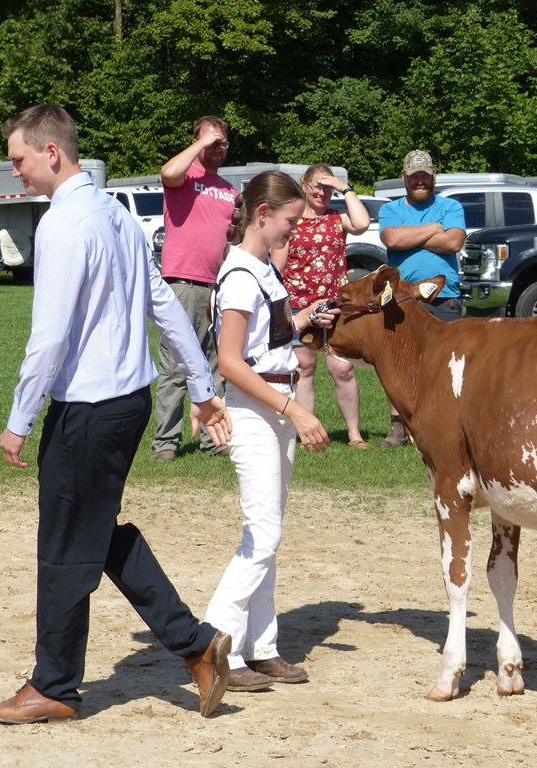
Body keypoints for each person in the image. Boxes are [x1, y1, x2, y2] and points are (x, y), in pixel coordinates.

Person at [0, 105, 236, 725]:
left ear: (51, 153)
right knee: (95, 533)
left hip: (88, 410)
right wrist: (200, 386)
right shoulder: (117, 213)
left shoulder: (63, 225)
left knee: (64, 546)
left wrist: (20, 418)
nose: (16, 172)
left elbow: (49, 337)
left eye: (19, 159)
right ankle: (195, 644)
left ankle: (54, 686)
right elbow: (163, 303)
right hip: (129, 406)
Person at [204, 170, 337, 691]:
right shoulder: (240, 275)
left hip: (273, 406)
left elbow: (267, 339)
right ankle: (215, 644)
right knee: (263, 534)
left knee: (267, 533)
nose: (294, 231)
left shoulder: (261, 269)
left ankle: (261, 647)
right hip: (257, 409)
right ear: (263, 215)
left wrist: (305, 317)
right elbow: (231, 362)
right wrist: (294, 410)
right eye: (290, 221)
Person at [152, 115, 237, 461]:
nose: (217, 148)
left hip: (218, 287)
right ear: (196, 142)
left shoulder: (229, 190)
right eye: (211, 142)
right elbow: (168, 172)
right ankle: (166, 443)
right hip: (182, 282)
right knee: (176, 364)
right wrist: (203, 141)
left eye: (222, 142)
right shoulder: (184, 177)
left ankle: (213, 440)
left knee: (215, 364)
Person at [271, 163, 372, 449]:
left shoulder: (337, 218)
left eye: (328, 188)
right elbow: (278, 267)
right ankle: (308, 434)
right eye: (317, 186)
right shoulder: (291, 223)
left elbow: (362, 224)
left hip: (335, 307)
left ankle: (354, 435)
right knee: (304, 368)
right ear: (303, 186)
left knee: (343, 370)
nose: (322, 193)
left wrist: (345, 188)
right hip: (299, 307)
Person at [376, 149, 466, 447]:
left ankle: (448, 422)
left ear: (433, 176)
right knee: (397, 362)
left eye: (425, 176)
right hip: (401, 298)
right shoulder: (390, 210)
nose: (420, 182)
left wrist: (411, 238)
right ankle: (398, 426)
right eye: (414, 177)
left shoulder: (451, 206)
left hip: (444, 297)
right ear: (404, 177)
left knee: (446, 362)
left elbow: (453, 243)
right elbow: (392, 239)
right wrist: (433, 229)